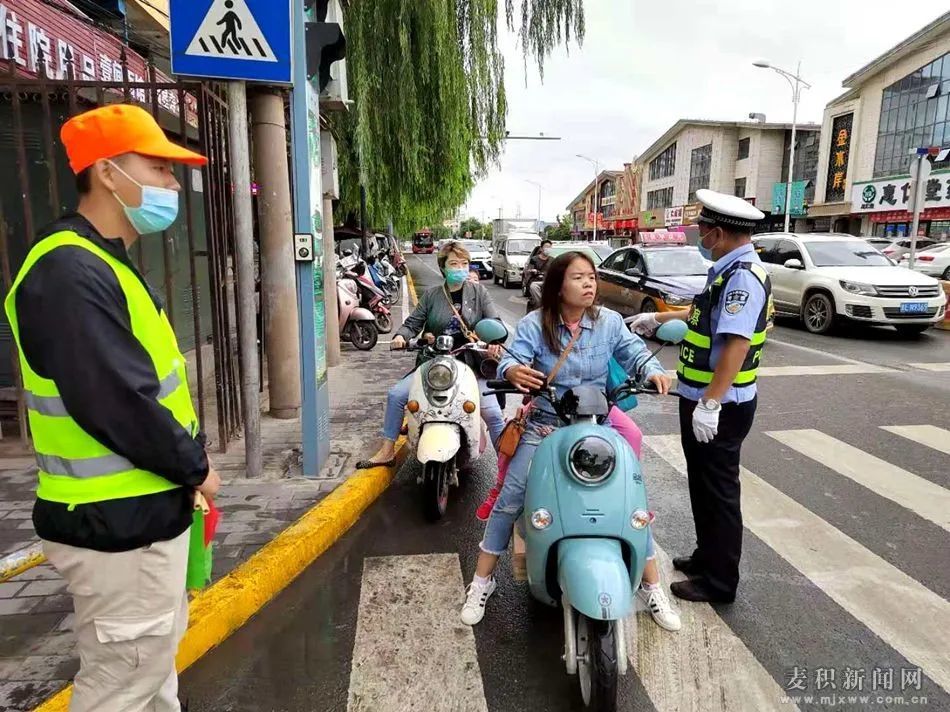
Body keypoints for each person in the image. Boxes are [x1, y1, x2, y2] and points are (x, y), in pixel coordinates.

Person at [4, 104, 219, 712]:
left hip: (139, 515)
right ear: (107, 173)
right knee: (120, 686)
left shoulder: (99, 260)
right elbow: (119, 402)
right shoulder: (69, 270)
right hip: (115, 526)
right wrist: (197, 467)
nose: (173, 186)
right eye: (158, 168)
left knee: (149, 672)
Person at [460, 251, 680, 630]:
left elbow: (634, 353)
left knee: (633, 502)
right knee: (511, 496)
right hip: (545, 425)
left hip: (598, 424)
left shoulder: (608, 322)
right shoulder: (535, 324)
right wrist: (512, 370)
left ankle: (651, 586)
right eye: (579, 278)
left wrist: (654, 371)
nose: (589, 284)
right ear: (559, 286)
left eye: (591, 277)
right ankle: (482, 581)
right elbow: (513, 357)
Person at [629, 189, 773, 603]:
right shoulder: (727, 270)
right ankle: (706, 555)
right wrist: (657, 316)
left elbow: (736, 346)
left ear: (720, 233)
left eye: (704, 231)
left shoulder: (742, 277)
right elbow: (701, 315)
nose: (700, 237)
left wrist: (710, 403)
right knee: (703, 484)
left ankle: (720, 581)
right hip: (701, 397)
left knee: (719, 492)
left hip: (721, 405)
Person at [358, 241, 506, 468]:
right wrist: (401, 336)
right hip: (435, 363)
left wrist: (494, 341)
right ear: (443, 268)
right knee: (397, 395)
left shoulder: (479, 292)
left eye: (464, 263)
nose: (460, 268)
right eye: (454, 263)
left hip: (471, 362)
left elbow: (494, 322)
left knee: (493, 414)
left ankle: (508, 467)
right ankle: (387, 450)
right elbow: (412, 323)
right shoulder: (432, 296)